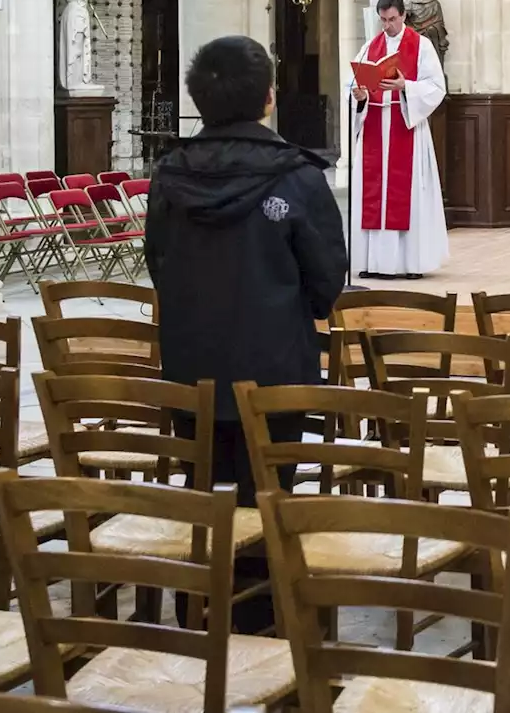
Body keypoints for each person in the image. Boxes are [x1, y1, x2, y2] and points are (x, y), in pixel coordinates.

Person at [145, 34, 348, 629]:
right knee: (269, 491)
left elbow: (158, 264)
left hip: (190, 366)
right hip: (274, 365)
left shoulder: (168, 174)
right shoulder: (297, 176)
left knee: (204, 482)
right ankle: (260, 619)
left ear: (198, 98)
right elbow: (326, 278)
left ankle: (201, 605)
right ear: (268, 97)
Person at [349, 0, 448, 279]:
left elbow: (435, 87)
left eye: (392, 19)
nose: (388, 26)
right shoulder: (371, 46)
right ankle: (371, 262)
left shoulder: (422, 46)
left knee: (407, 194)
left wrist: (406, 86)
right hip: (375, 127)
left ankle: (409, 264)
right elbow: (353, 82)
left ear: (403, 15)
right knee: (373, 195)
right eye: (383, 20)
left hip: (406, 127)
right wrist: (359, 95)